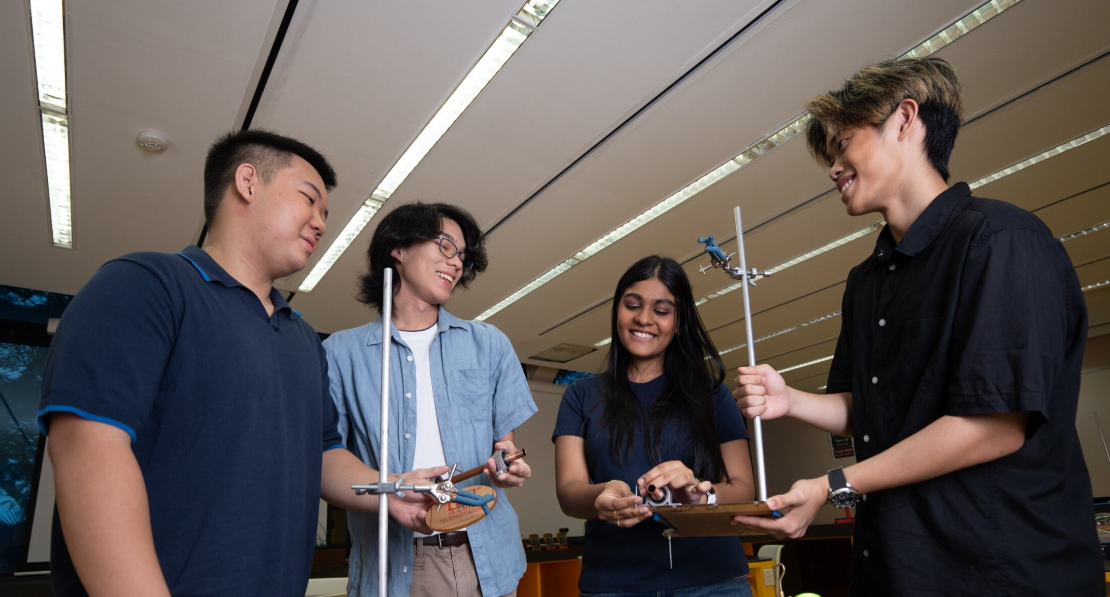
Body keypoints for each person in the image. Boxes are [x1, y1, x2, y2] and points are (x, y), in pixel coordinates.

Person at [732, 57, 1104, 595]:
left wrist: (833, 485)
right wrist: (789, 400)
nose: (833, 168)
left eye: (842, 144)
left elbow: (993, 426)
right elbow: (869, 411)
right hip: (896, 568)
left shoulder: (1001, 241)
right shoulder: (866, 281)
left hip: (998, 573)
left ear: (905, 120)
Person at [37, 130, 405, 596]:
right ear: (248, 182)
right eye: (309, 200)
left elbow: (324, 455)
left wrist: (394, 489)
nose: (320, 224)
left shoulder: (302, 338)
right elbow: (88, 450)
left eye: (325, 215)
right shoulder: (145, 285)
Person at [323, 202, 537, 597]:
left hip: (489, 558)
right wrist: (391, 489)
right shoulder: (340, 354)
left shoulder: (489, 344)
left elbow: (503, 445)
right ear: (398, 248)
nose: (456, 263)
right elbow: (324, 460)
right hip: (397, 565)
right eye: (445, 245)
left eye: (462, 255)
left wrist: (506, 464)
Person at [553, 255, 756, 596]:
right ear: (617, 311)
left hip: (712, 580)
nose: (644, 319)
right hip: (614, 582)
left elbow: (744, 488)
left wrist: (700, 496)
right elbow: (569, 491)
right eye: (632, 305)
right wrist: (603, 494)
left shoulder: (711, 394)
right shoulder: (581, 395)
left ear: (678, 322)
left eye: (661, 310)